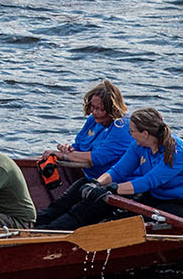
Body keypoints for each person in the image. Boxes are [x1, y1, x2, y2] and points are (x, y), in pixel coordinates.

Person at [40, 107, 183, 231]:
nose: (129, 133)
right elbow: (118, 171)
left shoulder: (178, 153)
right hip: (156, 197)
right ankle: (51, 230)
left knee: (122, 223)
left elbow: (148, 181)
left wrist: (112, 189)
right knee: (103, 209)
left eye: (132, 131)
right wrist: (97, 184)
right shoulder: (138, 145)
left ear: (145, 133)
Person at [35, 82, 136, 227]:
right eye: (92, 107)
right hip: (92, 181)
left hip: (116, 187)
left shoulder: (123, 127)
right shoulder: (93, 120)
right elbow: (79, 147)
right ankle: (27, 228)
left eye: (99, 109)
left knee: (74, 216)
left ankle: (43, 234)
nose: (94, 112)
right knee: (57, 207)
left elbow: (98, 158)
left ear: (112, 109)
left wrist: (64, 156)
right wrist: (67, 150)